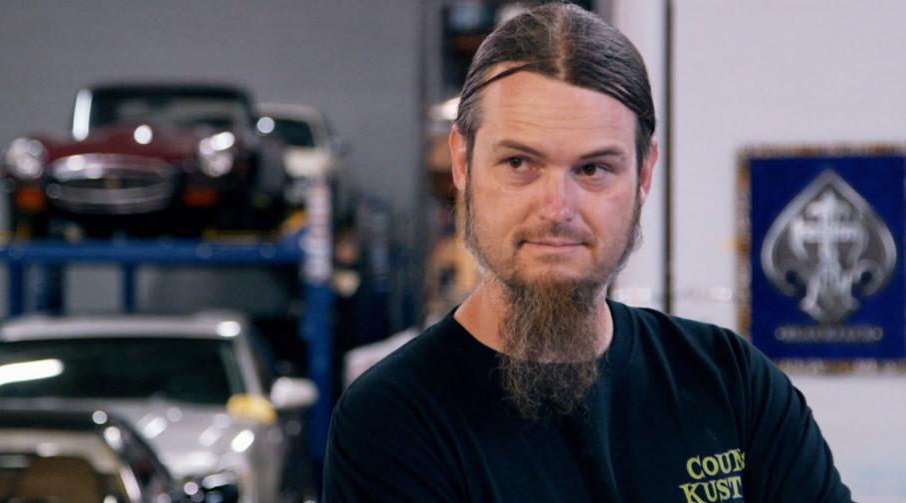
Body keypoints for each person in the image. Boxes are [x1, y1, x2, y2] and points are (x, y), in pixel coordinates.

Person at [323, 3, 853, 502]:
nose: (557, 208)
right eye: (519, 163)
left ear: (643, 173)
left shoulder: (732, 384)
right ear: (463, 162)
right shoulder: (393, 420)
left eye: (593, 168)